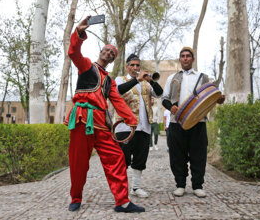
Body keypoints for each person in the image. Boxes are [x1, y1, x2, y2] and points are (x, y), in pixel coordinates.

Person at [64, 16, 145, 213]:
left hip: (101, 123)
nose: (109, 53)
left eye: (113, 53)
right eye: (107, 50)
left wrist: (132, 120)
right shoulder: (86, 66)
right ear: (101, 51)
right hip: (82, 119)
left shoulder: (110, 81)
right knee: (78, 162)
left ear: (113, 59)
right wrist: (79, 33)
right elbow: (73, 52)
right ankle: (76, 197)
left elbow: (117, 100)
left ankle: (122, 201)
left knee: (117, 157)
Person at [162, 47, 225, 198]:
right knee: (177, 156)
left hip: (198, 121)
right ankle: (180, 185)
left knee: (199, 155)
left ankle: (197, 186)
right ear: (180, 59)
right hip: (177, 122)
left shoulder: (203, 77)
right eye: (182, 56)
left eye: (188, 56)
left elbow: (212, 97)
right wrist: (172, 107)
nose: (185, 58)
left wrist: (219, 99)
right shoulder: (172, 78)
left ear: (193, 59)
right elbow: (164, 99)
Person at [115, 54, 163, 198]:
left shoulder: (146, 83)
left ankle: (136, 187)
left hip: (144, 126)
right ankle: (121, 189)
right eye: (132, 65)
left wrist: (151, 80)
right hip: (125, 127)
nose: (135, 68)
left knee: (140, 159)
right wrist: (137, 79)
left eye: (138, 65)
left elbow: (160, 94)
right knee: (123, 159)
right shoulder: (120, 79)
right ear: (127, 66)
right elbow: (119, 91)